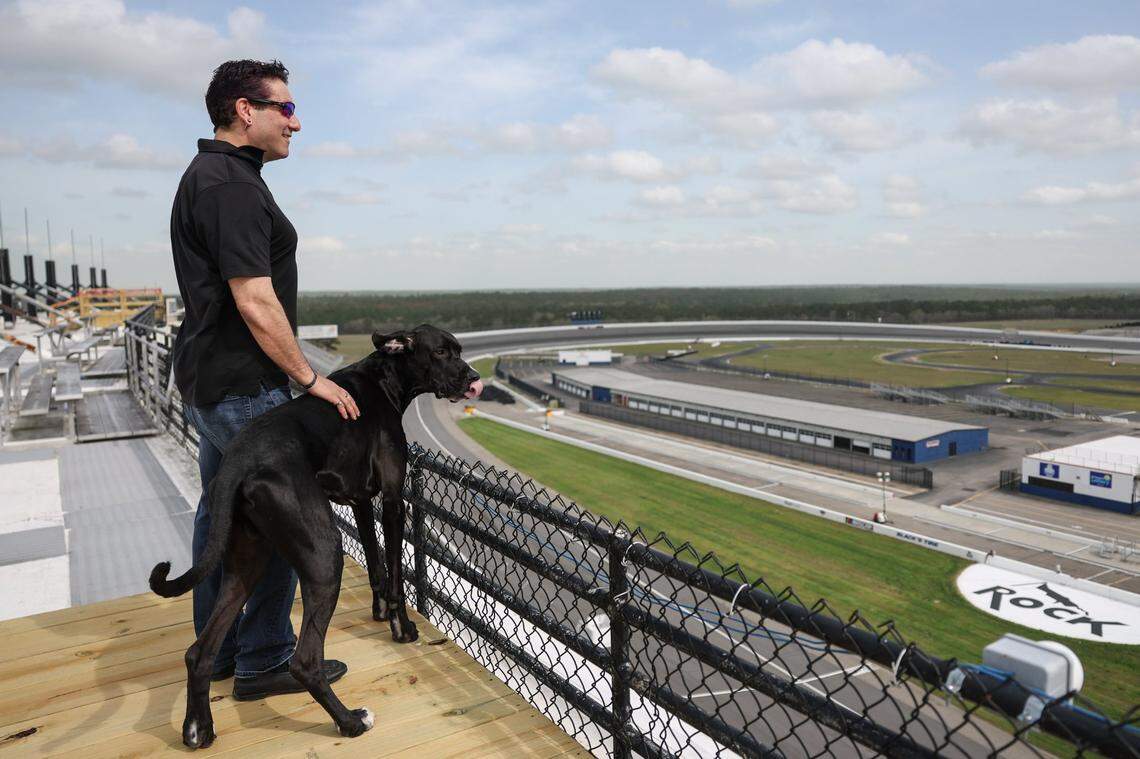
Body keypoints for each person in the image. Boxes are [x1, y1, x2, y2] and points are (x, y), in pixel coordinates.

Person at [169, 59, 361, 701]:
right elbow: (255, 299)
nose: (296, 122)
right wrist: (310, 378)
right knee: (279, 520)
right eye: (286, 108)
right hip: (245, 386)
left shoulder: (220, 176)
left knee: (219, 513)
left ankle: (219, 652)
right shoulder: (228, 185)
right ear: (245, 110)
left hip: (214, 380)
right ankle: (264, 659)